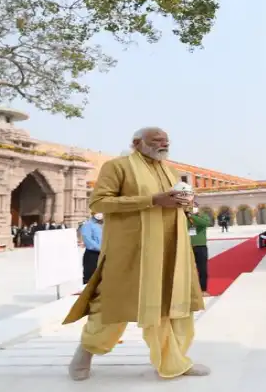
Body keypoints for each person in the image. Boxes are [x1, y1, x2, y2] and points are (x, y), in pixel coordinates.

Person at [64, 127, 208, 381]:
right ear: (136, 143)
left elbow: (170, 202)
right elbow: (99, 203)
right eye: (156, 140)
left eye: (166, 140)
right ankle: (84, 354)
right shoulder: (117, 167)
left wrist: (183, 203)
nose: (163, 144)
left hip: (169, 249)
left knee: (170, 304)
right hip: (130, 249)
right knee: (113, 304)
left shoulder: (169, 170)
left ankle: (175, 360)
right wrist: (152, 200)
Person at [187, 204, 211, 296]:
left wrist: (192, 216)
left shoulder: (203, 215)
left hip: (201, 246)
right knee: (188, 270)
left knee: (202, 270)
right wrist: (188, 216)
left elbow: (205, 223)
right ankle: (190, 291)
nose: (191, 207)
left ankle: (203, 290)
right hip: (188, 246)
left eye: (194, 206)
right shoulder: (184, 216)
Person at [79, 213, 104, 284]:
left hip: (104, 254)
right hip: (93, 255)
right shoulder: (87, 225)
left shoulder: (105, 225)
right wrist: (102, 248)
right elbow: (88, 241)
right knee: (91, 279)